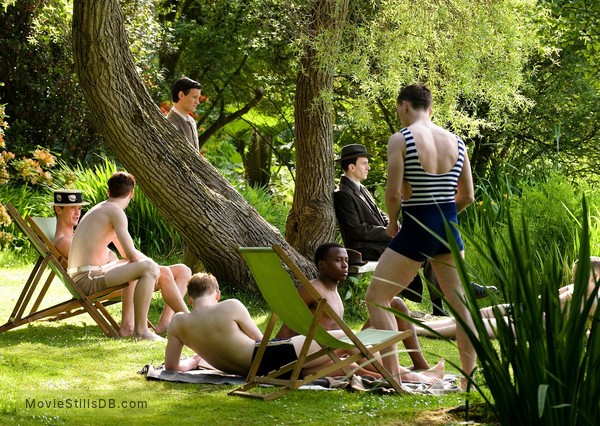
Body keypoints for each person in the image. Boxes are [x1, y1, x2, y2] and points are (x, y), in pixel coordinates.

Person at [364, 83, 477, 389]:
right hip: (449, 227)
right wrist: (444, 218)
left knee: (377, 298)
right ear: (430, 107)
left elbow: (392, 193)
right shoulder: (458, 142)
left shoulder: (401, 139)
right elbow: (467, 195)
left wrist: (392, 223)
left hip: (418, 224)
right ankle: (468, 382)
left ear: (404, 106)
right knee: (462, 306)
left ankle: (393, 379)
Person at [334, 144, 494, 316]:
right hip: (364, 248)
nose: (368, 167)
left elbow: (381, 215)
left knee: (430, 247)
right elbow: (356, 230)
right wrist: (389, 231)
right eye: (364, 163)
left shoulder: (361, 189)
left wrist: (393, 225)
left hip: (381, 242)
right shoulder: (343, 193)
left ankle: (443, 304)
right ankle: (452, 297)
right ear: (352, 167)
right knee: (426, 248)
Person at [275, 242, 443, 384]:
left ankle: (420, 366)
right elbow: (289, 325)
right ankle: (411, 377)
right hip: (321, 353)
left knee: (396, 304)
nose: (344, 265)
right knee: (355, 368)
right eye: (338, 260)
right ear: (322, 265)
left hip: (343, 347)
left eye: (346, 260)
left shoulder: (333, 291)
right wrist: (271, 354)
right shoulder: (311, 289)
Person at [165, 273, 381, 378]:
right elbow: (262, 341)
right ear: (217, 294)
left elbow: (171, 368)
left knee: (344, 365)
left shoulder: (177, 323)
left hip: (263, 373)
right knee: (347, 338)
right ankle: (394, 377)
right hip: (270, 357)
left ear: (190, 299)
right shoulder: (229, 306)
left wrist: (193, 363)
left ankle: (391, 377)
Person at [67, 173, 190, 340]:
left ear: (108, 192)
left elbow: (126, 254)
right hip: (86, 279)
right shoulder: (115, 212)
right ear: (132, 193)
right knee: (147, 268)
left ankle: (185, 321)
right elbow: (132, 255)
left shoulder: (104, 209)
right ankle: (141, 331)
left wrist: (156, 267)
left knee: (161, 268)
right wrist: (152, 267)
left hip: (83, 275)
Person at [416, 256, 600, 339]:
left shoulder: (595, 300)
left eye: (581, 275)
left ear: (596, 277)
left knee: (471, 326)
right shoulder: (575, 287)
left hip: (534, 325)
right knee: (468, 317)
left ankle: (415, 331)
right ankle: (414, 325)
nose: (574, 279)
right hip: (524, 309)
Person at [166, 76, 202, 152]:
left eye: (198, 98)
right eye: (195, 97)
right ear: (181, 95)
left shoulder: (191, 120)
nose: (197, 102)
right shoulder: (171, 124)